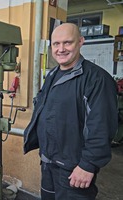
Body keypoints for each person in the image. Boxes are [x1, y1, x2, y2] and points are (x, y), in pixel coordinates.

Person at [23, 23, 118, 200]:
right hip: (49, 162)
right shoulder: (52, 75)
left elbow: (101, 127)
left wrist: (88, 165)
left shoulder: (97, 79)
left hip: (74, 168)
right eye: (56, 44)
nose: (61, 49)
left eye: (67, 43)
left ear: (81, 42)